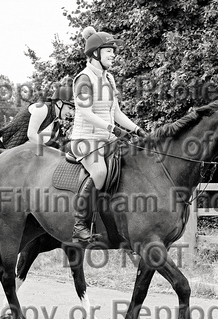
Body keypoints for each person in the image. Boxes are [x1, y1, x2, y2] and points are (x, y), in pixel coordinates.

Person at [70, 26, 147, 243]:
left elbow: (117, 113)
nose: (114, 54)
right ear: (95, 54)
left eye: (114, 51)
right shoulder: (83, 78)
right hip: (85, 140)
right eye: (109, 51)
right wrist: (111, 128)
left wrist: (137, 130)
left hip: (106, 139)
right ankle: (79, 224)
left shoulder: (109, 79)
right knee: (100, 172)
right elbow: (85, 112)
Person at [0, 80, 75, 150]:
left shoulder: (55, 122)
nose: (72, 113)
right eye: (70, 108)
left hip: (19, 155)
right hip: (3, 148)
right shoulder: (42, 108)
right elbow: (31, 135)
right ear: (59, 103)